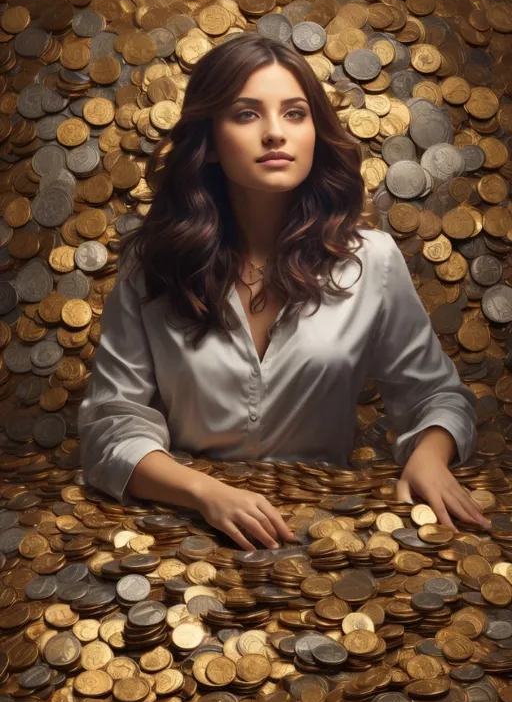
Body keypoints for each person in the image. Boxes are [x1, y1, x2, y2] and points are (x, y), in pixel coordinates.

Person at [78, 32, 491, 552]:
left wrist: (429, 457)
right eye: (247, 114)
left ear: (315, 131)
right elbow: (108, 424)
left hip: (331, 533)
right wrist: (206, 493)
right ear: (209, 139)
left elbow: (437, 396)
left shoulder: (371, 259)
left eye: (295, 113)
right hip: (183, 532)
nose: (276, 133)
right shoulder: (152, 263)